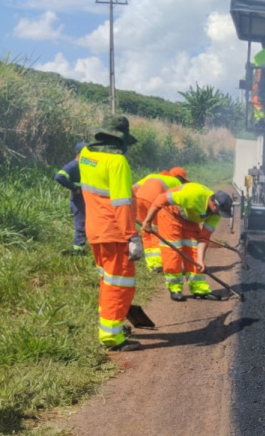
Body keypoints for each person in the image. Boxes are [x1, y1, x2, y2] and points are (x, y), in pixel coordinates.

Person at [79, 116, 143, 351]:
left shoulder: (86, 155)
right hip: (115, 232)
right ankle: (111, 337)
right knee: (120, 284)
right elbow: (121, 202)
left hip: (95, 230)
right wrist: (131, 236)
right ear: (121, 140)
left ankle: (111, 325)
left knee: (108, 281)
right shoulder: (117, 162)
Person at [142, 182, 233, 302]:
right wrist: (147, 221)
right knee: (172, 252)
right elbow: (161, 199)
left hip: (190, 220)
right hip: (170, 213)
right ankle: (175, 289)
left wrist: (200, 260)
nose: (218, 215)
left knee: (194, 253)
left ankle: (199, 289)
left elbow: (204, 237)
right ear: (213, 203)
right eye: (219, 211)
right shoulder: (193, 196)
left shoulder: (216, 214)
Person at [132, 167, 188, 272]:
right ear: (179, 177)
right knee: (155, 230)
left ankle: (151, 264)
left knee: (145, 230)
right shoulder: (176, 182)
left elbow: (133, 188)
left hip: (138, 199)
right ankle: (158, 264)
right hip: (153, 202)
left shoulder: (152, 176)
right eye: (183, 180)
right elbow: (178, 202)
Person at [54, 141, 89, 255]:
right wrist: (74, 188)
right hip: (78, 200)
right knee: (81, 225)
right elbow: (59, 176)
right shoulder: (73, 165)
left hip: (86, 200)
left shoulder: (86, 165)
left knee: (87, 224)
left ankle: (83, 248)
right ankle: (78, 251)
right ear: (78, 153)